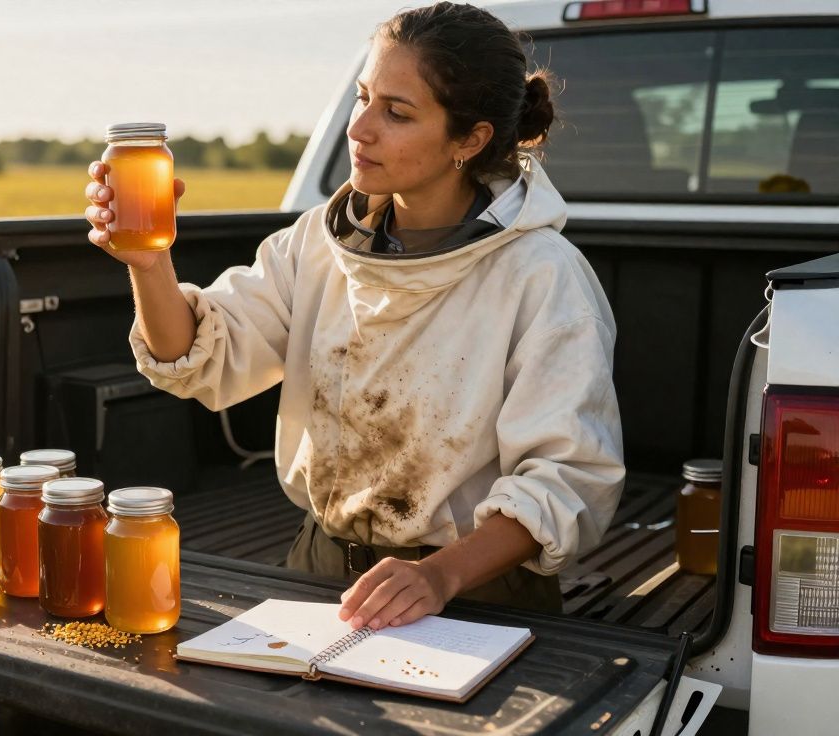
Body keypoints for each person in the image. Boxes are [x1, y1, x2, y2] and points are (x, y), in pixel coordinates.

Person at [83, 2, 623, 632]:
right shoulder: (317, 242)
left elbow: (566, 478)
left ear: (470, 140)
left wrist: (439, 574)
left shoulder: (541, 274)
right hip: (318, 572)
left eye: (396, 112)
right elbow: (195, 359)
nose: (358, 127)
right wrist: (148, 264)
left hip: (477, 593)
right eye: (363, 96)